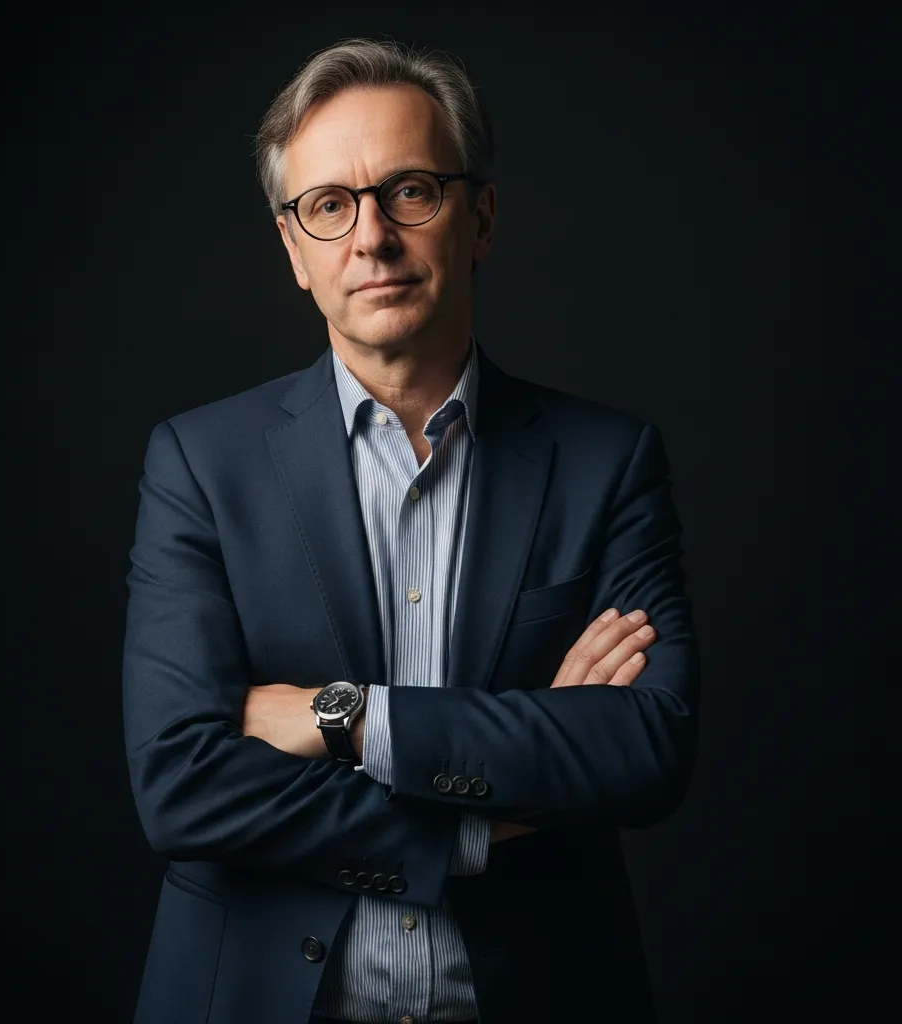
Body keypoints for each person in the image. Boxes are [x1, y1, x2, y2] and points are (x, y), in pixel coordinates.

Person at [122, 36, 700, 1024]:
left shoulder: (606, 461)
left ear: (481, 218)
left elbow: (644, 750)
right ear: (294, 251)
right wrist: (476, 821)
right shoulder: (199, 465)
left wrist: (344, 717)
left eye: (410, 192)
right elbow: (182, 786)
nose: (372, 239)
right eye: (328, 206)